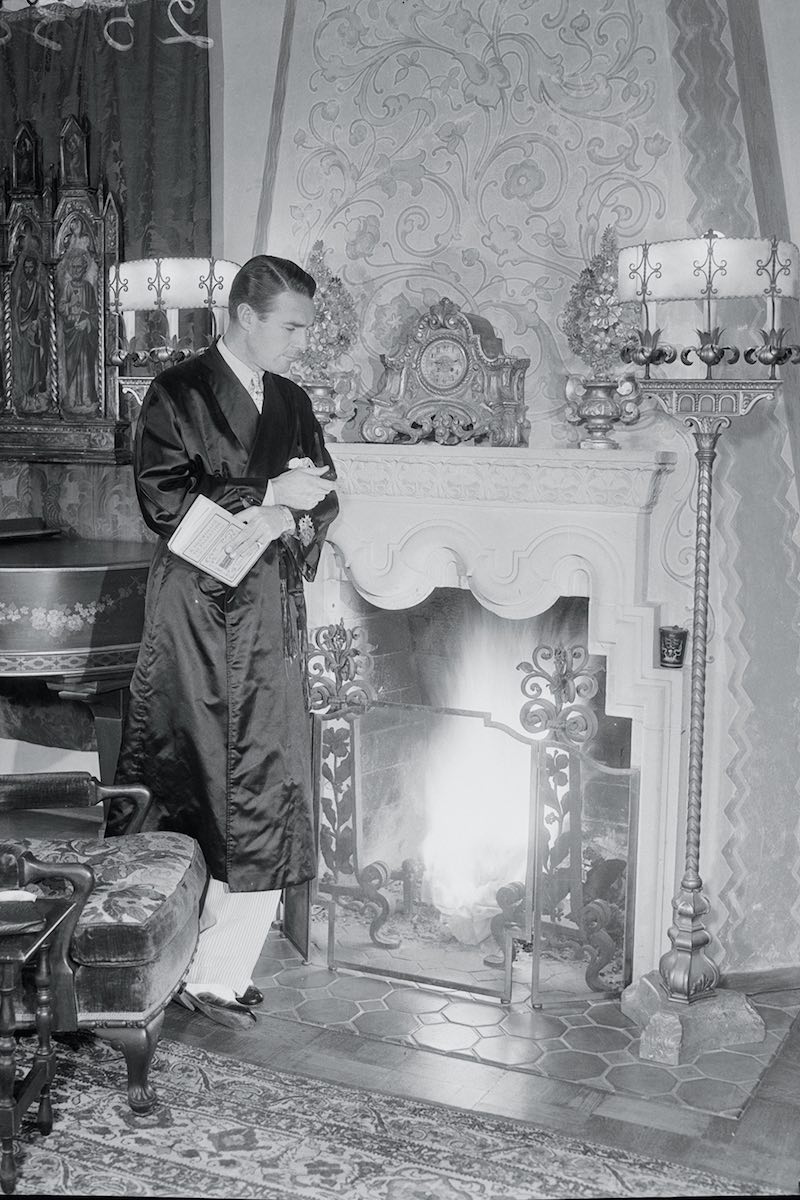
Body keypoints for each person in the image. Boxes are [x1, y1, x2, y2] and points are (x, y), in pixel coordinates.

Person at [114, 255, 339, 1028]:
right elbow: (164, 501)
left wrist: (299, 513)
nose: (300, 342)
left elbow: (323, 489)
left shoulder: (294, 399)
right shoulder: (175, 393)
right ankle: (163, 959)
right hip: (199, 617)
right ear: (246, 314)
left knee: (271, 786)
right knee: (197, 777)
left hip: (269, 616)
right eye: (291, 326)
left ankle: (223, 970)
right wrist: (269, 497)